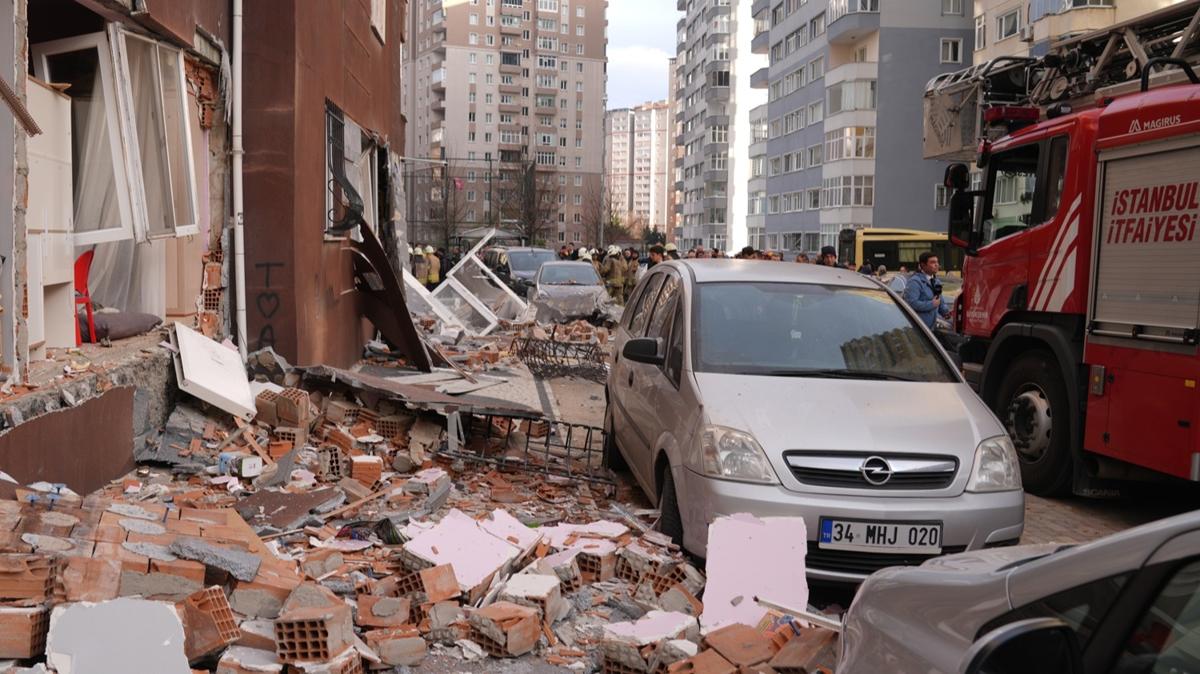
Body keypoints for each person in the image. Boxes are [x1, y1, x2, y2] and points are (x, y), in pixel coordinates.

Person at [902, 252, 951, 329]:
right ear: (923, 265)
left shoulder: (936, 281)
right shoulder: (914, 282)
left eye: (937, 262)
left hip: (932, 328)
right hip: (919, 329)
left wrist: (946, 312)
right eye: (932, 262)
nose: (936, 265)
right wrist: (931, 304)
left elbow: (940, 301)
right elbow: (911, 304)